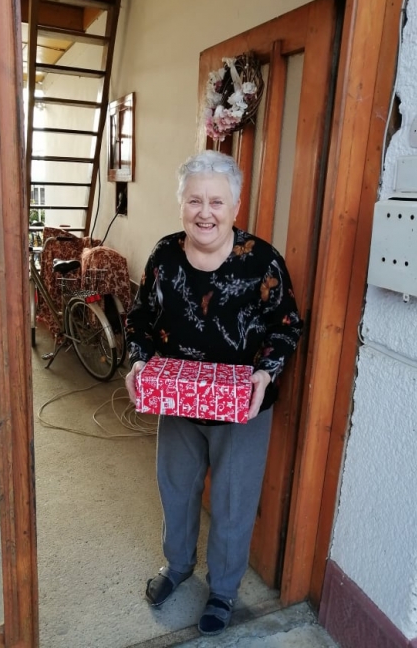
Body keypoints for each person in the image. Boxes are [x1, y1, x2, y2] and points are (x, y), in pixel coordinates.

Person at [125, 149, 303, 636]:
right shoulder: (165, 256)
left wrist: (265, 372)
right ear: (181, 204)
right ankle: (177, 566)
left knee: (231, 501)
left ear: (236, 206)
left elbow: (286, 325)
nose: (205, 212)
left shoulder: (262, 261)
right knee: (176, 489)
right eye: (195, 200)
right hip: (178, 401)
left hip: (241, 408)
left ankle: (223, 590)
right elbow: (139, 318)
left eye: (217, 202)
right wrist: (139, 361)